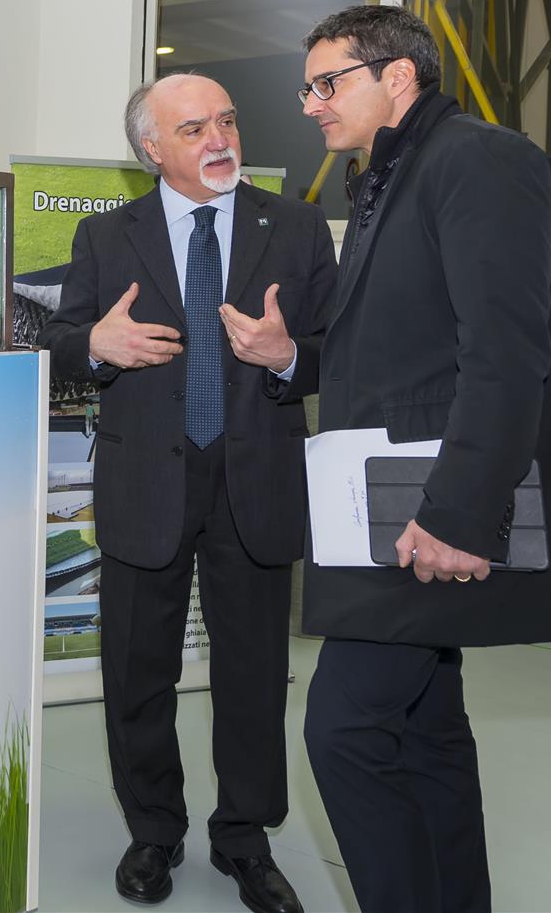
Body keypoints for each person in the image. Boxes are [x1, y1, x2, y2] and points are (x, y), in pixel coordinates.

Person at [297, 5, 551, 913]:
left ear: (397, 75)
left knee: (346, 731)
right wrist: (293, 353)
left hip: (434, 508)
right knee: (424, 729)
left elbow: (507, 355)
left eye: (328, 83)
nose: (311, 105)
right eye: (307, 89)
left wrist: (460, 514)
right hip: (397, 502)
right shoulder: (391, 173)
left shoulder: (479, 159)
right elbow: (407, 344)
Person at [40, 72, 335, 912]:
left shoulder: (298, 227)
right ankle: (154, 830)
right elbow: (61, 341)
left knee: (253, 674)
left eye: (228, 122)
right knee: (138, 672)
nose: (220, 140)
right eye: (195, 128)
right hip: (145, 481)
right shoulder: (107, 236)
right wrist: (95, 346)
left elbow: (340, 348)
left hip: (256, 481)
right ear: (152, 148)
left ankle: (245, 837)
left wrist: (286, 355)